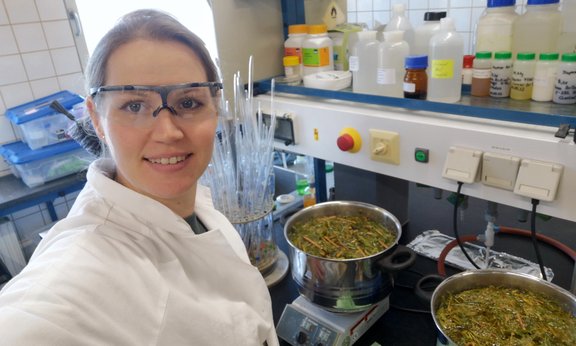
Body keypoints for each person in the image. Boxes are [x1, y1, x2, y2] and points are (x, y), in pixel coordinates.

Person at [0, 9, 279, 345]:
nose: (168, 132)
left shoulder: (201, 211)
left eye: (189, 102)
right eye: (134, 106)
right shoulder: (80, 272)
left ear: (215, 107)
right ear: (98, 119)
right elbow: (30, 320)